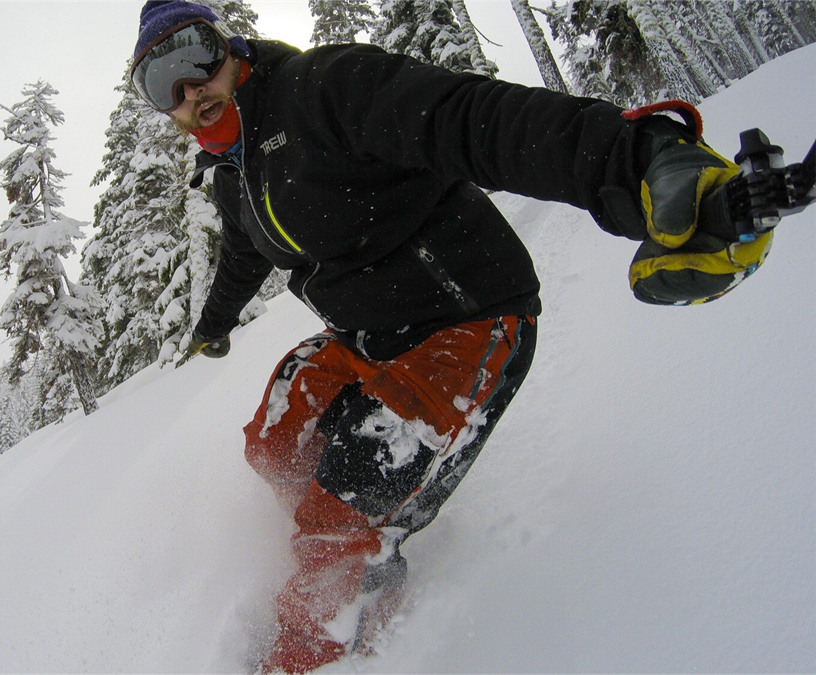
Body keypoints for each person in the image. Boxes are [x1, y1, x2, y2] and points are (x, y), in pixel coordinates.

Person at [128, 1, 771, 672]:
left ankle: (344, 595)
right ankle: (350, 541)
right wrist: (212, 326)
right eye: (161, 82)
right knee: (273, 442)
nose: (189, 89)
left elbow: (469, 119)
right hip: (365, 337)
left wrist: (642, 159)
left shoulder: (321, 90)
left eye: (195, 55)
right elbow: (242, 255)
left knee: (340, 513)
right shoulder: (233, 174)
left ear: (231, 48)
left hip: (466, 320)